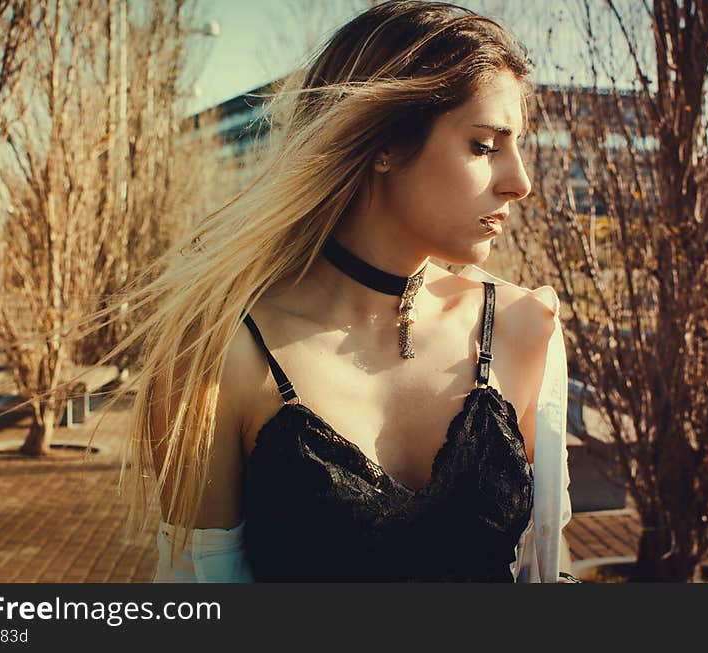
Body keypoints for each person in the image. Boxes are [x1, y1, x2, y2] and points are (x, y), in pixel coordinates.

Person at [117, 0, 573, 582]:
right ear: (383, 143)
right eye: (484, 146)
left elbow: (543, 571)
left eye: (517, 146)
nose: (520, 182)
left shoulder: (525, 329)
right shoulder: (219, 354)